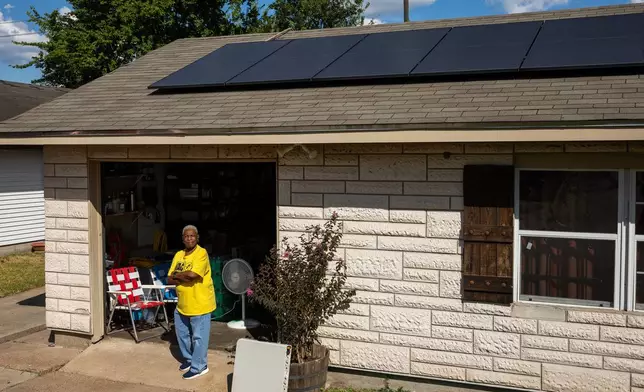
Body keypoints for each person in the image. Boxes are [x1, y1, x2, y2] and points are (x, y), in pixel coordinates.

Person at [167, 225, 216, 380]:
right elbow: (169, 278)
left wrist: (178, 275)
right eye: (186, 236)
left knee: (199, 337)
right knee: (182, 335)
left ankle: (200, 366)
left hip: (199, 304)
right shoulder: (178, 255)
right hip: (182, 304)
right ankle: (189, 359)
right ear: (183, 239)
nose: (189, 238)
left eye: (192, 236)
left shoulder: (201, 253)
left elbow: (193, 275)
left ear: (197, 237)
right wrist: (183, 275)